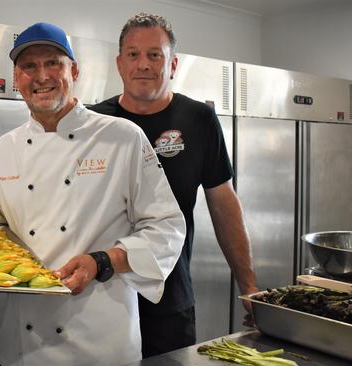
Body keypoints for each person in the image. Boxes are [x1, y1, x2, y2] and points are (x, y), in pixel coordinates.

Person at [0, 22, 186, 366]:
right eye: (29, 66)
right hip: (21, 348)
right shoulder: (1, 151)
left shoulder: (122, 137)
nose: (41, 76)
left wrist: (103, 262)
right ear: (16, 79)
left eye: (53, 63)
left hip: (99, 345)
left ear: (75, 71)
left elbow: (168, 229)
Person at [90, 13, 259, 357]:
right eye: (133, 54)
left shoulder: (199, 119)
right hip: (102, 297)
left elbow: (223, 205)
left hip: (170, 298)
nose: (144, 65)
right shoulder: (95, 122)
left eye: (155, 55)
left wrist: (250, 287)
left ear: (173, 64)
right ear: (119, 64)